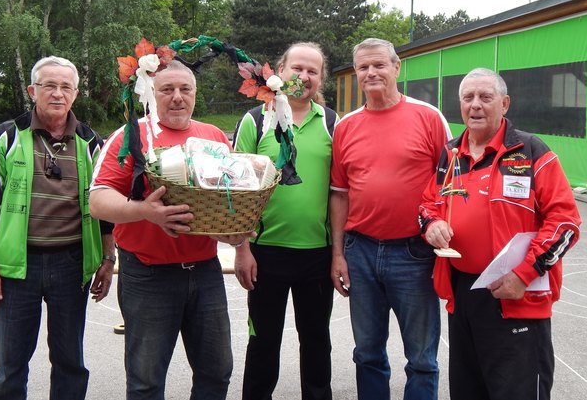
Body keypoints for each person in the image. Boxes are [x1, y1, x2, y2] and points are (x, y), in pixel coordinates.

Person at [89, 60, 253, 400]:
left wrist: (238, 242)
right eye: (167, 89)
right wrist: (146, 212)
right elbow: (99, 200)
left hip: (205, 272)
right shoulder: (131, 135)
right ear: (152, 92)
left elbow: (228, 201)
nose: (177, 97)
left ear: (195, 93)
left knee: (217, 371)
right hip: (148, 275)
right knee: (146, 381)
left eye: (185, 89)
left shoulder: (215, 137)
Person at [419, 67, 581, 400]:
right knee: (468, 391)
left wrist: (524, 274)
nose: (475, 105)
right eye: (468, 98)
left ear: (504, 104)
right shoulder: (450, 154)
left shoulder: (531, 151)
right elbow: (427, 205)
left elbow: (566, 222)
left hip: (516, 293)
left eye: (485, 97)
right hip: (463, 295)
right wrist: (432, 224)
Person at [0, 56, 115, 400]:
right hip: (17, 268)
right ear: (32, 90)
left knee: (70, 362)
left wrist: (108, 259)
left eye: (65, 86)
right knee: (11, 366)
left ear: (76, 94)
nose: (57, 93)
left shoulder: (91, 142)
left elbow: (105, 205)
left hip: (72, 265)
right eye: (49, 85)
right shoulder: (7, 137)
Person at [330, 37, 451, 400]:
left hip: (414, 253)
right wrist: (338, 254)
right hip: (361, 251)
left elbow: (450, 184)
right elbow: (339, 195)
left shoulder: (429, 117)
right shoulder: (346, 126)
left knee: (422, 357)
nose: (371, 72)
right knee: (367, 353)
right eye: (363, 67)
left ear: (397, 68)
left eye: (379, 64)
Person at [233, 42, 338, 400]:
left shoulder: (333, 123)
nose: (304, 76)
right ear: (282, 68)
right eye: (298, 68)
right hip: (265, 254)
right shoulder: (256, 119)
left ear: (321, 78)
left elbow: (340, 192)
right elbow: (237, 188)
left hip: (316, 255)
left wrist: (338, 253)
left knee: (316, 346)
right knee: (263, 346)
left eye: (313, 71)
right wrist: (241, 250)